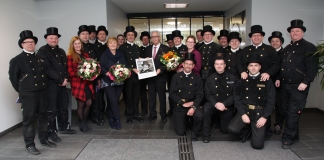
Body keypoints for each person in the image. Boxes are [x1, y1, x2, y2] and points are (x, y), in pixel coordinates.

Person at [9, 30, 56, 155]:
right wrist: (23, 91)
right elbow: (14, 79)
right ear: (22, 44)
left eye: (32, 42)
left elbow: (45, 74)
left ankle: (44, 139)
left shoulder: (39, 58)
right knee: (29, 120)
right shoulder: (17, 60)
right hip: (28, 94)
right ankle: (30, 144)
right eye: (27, 42)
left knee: (43, 117)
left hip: (42, 92)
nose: (30, 44)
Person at [237, 25, 280, 141]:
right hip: (249, 81)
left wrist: (268, 73)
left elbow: (276, 64)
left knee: (264, 103)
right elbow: (239, 63)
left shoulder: (270, 49)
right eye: (254, 36)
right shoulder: (246, 50)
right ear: (251, 37)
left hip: (264, 81)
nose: (256, 37)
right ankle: (249, 129)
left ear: (262, 37)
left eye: (258, 35)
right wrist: (242, 71)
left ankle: (265, 130)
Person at [280, 19, 318, 149]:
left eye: (297, 31)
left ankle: (287, 138)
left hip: (298, 86)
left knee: (293, 112)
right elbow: (282, 66)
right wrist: (279, 78)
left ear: (302, 32)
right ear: (289, 33)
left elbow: (312, 67)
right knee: (286, 111)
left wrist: (306, 82)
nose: (294, 33)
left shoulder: (309, 47)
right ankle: (293, 135)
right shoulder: (288, 48)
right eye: (292, 31)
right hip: (285, 85)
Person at [37, 27, 76, 144]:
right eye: (51, 38)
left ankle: (64, 127)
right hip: (51, 85)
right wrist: (60, 79)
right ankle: (52, 132)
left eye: (55, 38)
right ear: (46, 39)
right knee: (52, 110)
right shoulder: (42, 51)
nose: (54, 40)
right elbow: (47, 69)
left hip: (62, 84)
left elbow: (66, 67)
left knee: (63, 106)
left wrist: (66, 78)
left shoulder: (62, 51)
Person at [228, 54, 275, 150]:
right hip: (246, 110)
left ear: (260, 67)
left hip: (259, 113)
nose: (253, 68)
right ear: (248, 67)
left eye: (256, 65)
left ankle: (257, 130)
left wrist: (264, 117)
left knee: (257, 145)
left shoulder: (266, 81)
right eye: (251, 65)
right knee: (231, 129)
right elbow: (237, 99)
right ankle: (247, 131)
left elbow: (271, 101)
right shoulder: (242, 80)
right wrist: (243, 114)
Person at [170, 52, 204, 141]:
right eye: (186, 64)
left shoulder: (197, 78)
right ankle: (185, 120)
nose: (188, 66)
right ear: (183, 65)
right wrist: (182, 103)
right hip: (180, 105)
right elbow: (172, 93)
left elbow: (200, 94)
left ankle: (195, 132)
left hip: (192, 104)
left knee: (199, 116)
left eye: (190, 64)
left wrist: (193, 106)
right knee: (180, 132)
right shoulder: (176, 77)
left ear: (193, 66)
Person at [202, 56, 237, 143]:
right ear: (214, 65)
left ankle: (218, 121)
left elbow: (235, 95)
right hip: (214, 103)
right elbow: (208, 94)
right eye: (217, 64)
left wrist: (224, 104)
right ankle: (206, 135)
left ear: (225, 65)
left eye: (221, 64)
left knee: (225, 131)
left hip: (226, 105)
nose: (219, 66)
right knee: (206, 108)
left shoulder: (232, 78)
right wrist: (216, 104)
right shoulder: (210, 78)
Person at [67, 36, 94, 133]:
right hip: (78, 83)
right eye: (76, 44)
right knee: (81, 103)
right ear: (72, 45)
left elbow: (90, 67)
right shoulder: (70, 56)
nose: (78, 45)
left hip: (87, 82)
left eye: (79, 43)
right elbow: (70, 72)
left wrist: (92, 72)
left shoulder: (85, 55)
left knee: (89, 102)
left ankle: (83, 121)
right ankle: (82, 124)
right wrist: (81, 73)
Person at [119, 26, 144, 123]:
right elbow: (122, 62)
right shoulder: (122, 47)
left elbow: (140, 59)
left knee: (137, 95)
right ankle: (129, 115)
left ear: (135, 36)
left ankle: (136, 114)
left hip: (138, 75)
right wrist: (132, 68)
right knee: (129, 96)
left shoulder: (137, 47)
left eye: (132, 35)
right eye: (128, 35)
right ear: (126, 36)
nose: (130, 36)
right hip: (128, 75)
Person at [100, 37, 127, 130]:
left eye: (114, 43)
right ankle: (117, 119)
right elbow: (101, 67)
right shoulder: (104, 54)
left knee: (115, 101)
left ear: (117, 44)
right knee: (114, 100)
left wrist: (121, 72)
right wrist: (107, 73)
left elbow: (124, 66)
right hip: (108, 81)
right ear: (108, 45)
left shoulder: (120, 54)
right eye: (110, 43)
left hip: (119, 81)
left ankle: (111, 118)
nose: (112, 44)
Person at [144, 30, 170, 122]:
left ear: (159, 37)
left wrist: (161, 70)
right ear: (151, 38)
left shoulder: (166, 48)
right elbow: (144, 62)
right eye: (153, 37)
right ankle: (152, 114)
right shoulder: (147, 49)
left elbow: (168, 63)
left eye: (156, 36)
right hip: (150, 77)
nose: (154, 38)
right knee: (151, 96)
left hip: (161, 77)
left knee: (162, 96)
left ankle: (163, 114)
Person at [91, 25, 109, 126]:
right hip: (99, 76)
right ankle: (98, 115)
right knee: (98, 97)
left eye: (104, 34)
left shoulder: (109, 45)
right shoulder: (93, 47)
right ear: (97, 35)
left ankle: (108, 113)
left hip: (109, 75)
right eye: (100, 34)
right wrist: (97, 77)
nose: (102, 35)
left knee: (110, 96)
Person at [168, 30, 188, 116]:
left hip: (184, 74)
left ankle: (183, 108)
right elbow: (167, 63)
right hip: (172, 75)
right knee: (172, 92)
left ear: (181, 39)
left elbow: (188, 61)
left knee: (183, 92)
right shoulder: (170, 50)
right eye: (175, 39)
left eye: (178, 38)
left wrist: (182, 68)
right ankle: (171, 108)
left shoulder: (186, 48)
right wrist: (174, 68)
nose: (176, 40)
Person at [268, 31, 284, 135]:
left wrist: (278, 78)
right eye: (272, 41)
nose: (274, 43)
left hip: (279, 83)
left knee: (279, 106)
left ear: (281, 42)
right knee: (267, 104)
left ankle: (278, 125)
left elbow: (282, 68)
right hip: (268, 82)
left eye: (277, 41)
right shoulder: (268, 52)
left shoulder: (285, 52)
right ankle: (267, 126)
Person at [139, 31, 150, 116]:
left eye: (147, 38)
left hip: (151, 73)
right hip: (142, 73)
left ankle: (152, 110)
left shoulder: (151, 48)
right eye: (144, 39)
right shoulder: (138, 49)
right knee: (142, 93)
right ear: (141, 40)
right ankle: (144, 110)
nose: (145, 40)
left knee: (152, 92)